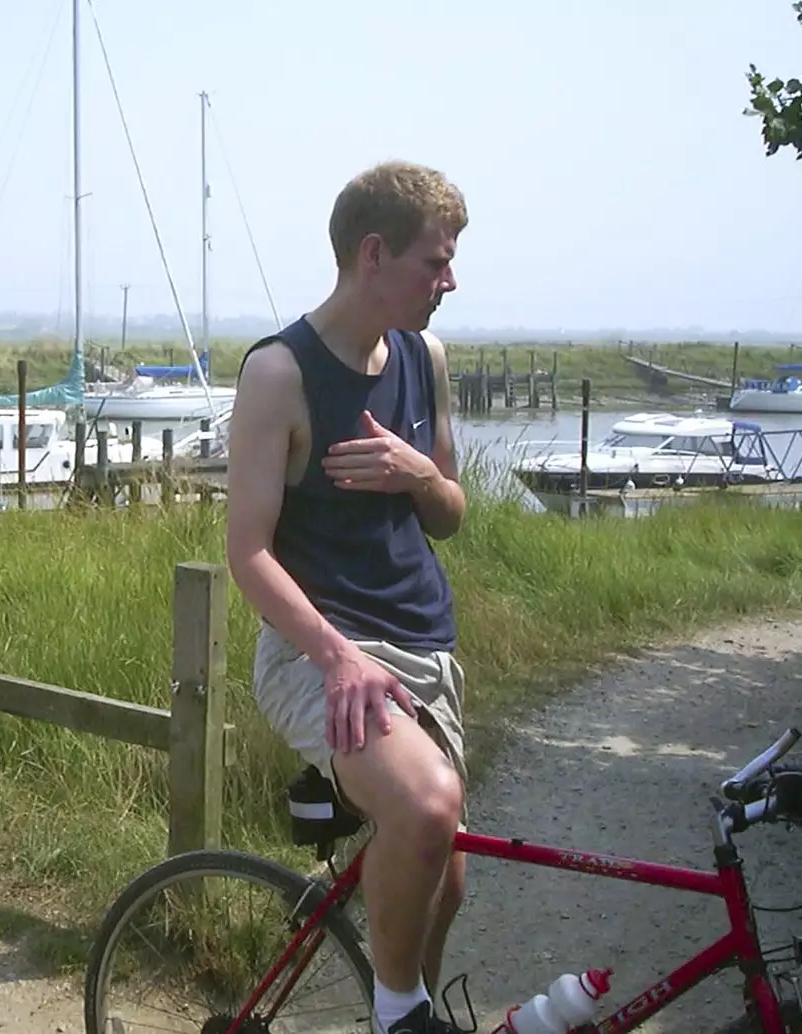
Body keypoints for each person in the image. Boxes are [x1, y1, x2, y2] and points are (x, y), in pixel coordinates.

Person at [224, 160, 469, 1034]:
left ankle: (406, 1009)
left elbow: (451, 513)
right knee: (427, 805)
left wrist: (417, 476)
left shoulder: (425, 357)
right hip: (315, 651)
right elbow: (246, 554)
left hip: (423, 646)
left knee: (445, 877)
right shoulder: (279, 375)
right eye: (435, 262)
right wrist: (337, 656)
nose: (450, 280)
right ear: (374, 253)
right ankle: (399, 1015)